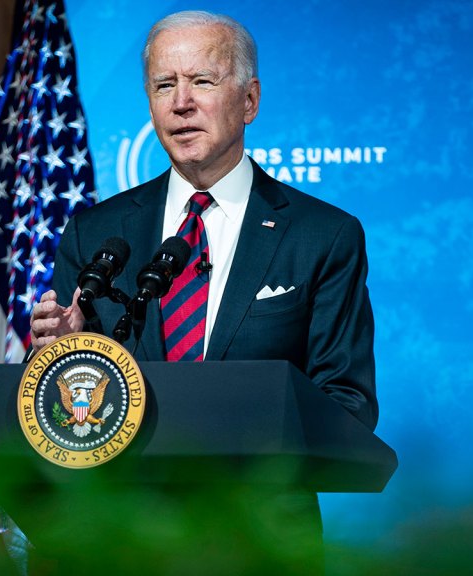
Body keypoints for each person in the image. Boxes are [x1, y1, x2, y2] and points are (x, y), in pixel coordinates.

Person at [27, 9, 377, 573]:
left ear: (250, 101)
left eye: (203, 82)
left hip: (259, 544)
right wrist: (64, 357)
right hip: (116, 544)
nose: (181, 102)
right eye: (164, 85)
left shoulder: (323, 235)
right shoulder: (95, 234)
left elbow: (348, 405)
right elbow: (63, 419)